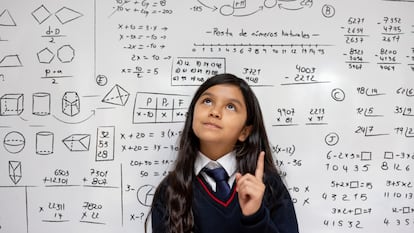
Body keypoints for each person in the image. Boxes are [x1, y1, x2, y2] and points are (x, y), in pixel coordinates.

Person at [146, 73, 299, 233]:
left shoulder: (268, 185)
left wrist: (255, 216)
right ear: (192, 116)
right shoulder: (170, 190)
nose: (215, 112)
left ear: (245, 131)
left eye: (231, 106)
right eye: (207, 101)